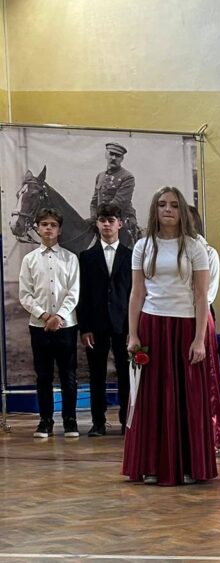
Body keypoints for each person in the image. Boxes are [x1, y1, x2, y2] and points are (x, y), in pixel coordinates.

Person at [122, 186, 218, 486]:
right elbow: (136, 293)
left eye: (175, 205)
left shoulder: (194, 247)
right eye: (162, 204)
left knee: (188, 398)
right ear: (155, 209)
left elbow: (201, 297)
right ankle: (151, 465)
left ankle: (189, 466)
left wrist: (200, 339)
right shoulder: (142, 246)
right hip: (152, 327)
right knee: (151, 398)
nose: (168, 210)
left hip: (185, 328)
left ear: (182, 211)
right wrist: (133, 334)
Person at [19, 208, 80, 439]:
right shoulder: (29, 260)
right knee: (43, 375)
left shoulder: (71, 258)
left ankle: (70, 420)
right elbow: (25, 295)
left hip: (66, 326)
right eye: (44, 224)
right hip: (39, 326)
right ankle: (45, 421)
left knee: (68, 375)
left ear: (59, 230)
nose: (48, 228)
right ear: (37, 228)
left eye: (53, 225)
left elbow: (74, 293)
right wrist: (45, 316)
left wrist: (59, 316)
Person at [78, 204, 132, 436]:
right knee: (96, 374)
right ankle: (98, 422)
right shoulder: (86, 257)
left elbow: (135, 294)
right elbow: (82, 295)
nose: (107, 224)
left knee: (126, 374)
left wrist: (133, 329)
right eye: (103, 220)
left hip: (124, 325)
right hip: (96, 325)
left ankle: (127, 420)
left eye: (111, 220)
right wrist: (85, 328)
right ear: (97, 224)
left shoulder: (131, 256)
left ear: (120, 223)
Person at [188, 205, 220, 450]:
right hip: (176, 316)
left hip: (200, 316)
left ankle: (209, 433)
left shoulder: (208, 252)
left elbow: (208, 293)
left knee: (206, 377)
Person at [91, 142, 139, 247]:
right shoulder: (100, 176)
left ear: (122, 159)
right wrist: (93, 218)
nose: (113, 158)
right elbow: (94, 202)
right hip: (102, 220)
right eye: (111, 154)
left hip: (121, 221)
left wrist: (100, 219)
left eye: (117, 156)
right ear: (106, 155)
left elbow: (118, 203)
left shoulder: (127, 177)